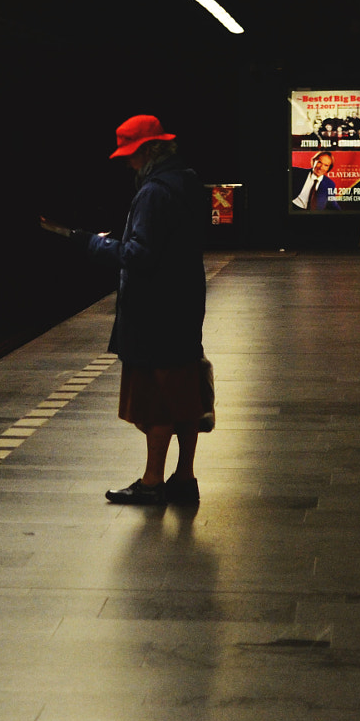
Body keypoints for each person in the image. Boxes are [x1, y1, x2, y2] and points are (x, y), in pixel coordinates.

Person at [75, 114, 212, 504]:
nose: (127, 163)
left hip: (155, 309)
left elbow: (140, 255)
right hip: (185, 300)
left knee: (156, 400)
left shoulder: (153, 192)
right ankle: (184, 479)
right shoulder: (187, 180)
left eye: (131, 155)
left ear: (149, 150)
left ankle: (152, 482)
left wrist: (95, 245)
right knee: (186, 395)